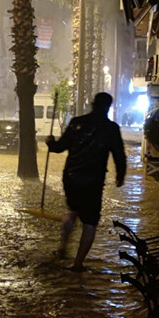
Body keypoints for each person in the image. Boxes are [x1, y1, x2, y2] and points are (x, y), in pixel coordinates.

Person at [46, 92, 126, 272]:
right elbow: (119, 154)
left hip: (71, 177)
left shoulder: (76, 123)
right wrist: (120, 175)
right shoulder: (111, 128)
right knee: (90, 222)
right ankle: (77, 264)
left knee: (72, 210)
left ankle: (62, 247)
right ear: (109, 107)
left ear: (92, 104)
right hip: (93, 180)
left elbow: (59, 148)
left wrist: (50, 143)